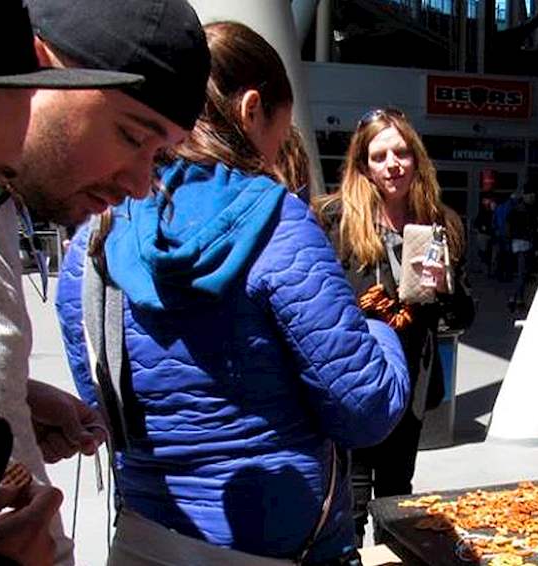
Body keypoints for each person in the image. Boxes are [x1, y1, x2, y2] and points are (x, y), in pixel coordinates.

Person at [0, 1, 212, 563]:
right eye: (131, 136)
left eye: (158, 155)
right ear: (39, 67)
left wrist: (16, 400)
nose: (141, 184)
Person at [56, 22, 410, 564]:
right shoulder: (279, 225)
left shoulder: (94, 236)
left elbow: (102, 407)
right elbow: (365, 411)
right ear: (250, 110)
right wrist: (382, 334)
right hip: (288, 545)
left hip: (151, 538)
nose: (276, 153)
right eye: (280, 130)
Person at [315, 108, 475, 543]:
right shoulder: (335, 222)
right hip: (353, 380)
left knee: (396, 501)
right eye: (380, 155)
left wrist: (446, 288)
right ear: (363, 165)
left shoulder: (439, 223)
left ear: (416, 158)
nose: (393, 165)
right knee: (350, 498)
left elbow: (462, 316)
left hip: (410, 384)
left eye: (401, 153)